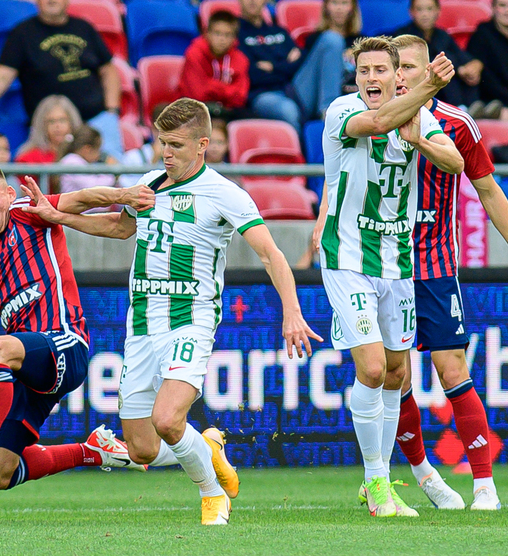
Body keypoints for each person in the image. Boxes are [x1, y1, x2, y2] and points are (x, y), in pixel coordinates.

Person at [21, 97, 322, 525]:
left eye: (176, 145)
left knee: (167, 418)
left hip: (190, 320)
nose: (166, 153)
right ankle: (208, 448)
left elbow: (271, 254)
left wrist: (291, 311)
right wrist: (58, 217)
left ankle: (212, 494)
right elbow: (120, 227)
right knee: (142, 448)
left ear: (202, 145)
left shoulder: (225, 194)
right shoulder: (149, 184)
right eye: (163, 142)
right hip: (142, 323)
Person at [0, 163, 153, 504]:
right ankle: (92, 451)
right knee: (0, 473)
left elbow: (83, 198)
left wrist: (123, 195)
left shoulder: (30, 212)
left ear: (9, 195)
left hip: (66, 345)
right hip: (28, 369)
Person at [385, 34, 508, 511]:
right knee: (395, 376)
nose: (400, 76)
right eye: (395, 67)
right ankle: (425, 476)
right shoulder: (371, 119)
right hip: (384, 267)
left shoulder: (456, 123)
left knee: (452, 369)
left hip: (435, 264)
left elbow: (489, 190)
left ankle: (484, 486)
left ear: (429, 73)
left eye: (409, 67)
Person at [316, 37, 463, 518]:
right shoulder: (342, 110)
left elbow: (456, 162)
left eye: (381, 70)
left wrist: (419, 137)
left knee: (397, 373)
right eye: (364, 70)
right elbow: (378, 123)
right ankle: (378, 481)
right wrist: (428, 89)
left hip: (397, 261)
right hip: (347, 257)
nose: (371, 78)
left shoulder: (418, 117)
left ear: (398, 75)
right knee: (374, 368)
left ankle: (374, 481)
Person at [0, 0, 123, 158]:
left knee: (115, 171)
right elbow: (2, 77)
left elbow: (108, 70)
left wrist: (111, 111)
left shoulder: (84, 28)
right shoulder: (23, 33)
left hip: (95, 121)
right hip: (50, 131)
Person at [238, 0, 347, 128]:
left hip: (294, 89)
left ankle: (329, 113)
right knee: (289, 110)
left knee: (332, 38)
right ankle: (306, 141)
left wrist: (273, 67)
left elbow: (301, 62)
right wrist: (286, 65)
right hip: (263, 94)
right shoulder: (235, 34)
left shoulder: (279, 31)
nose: (252, 1)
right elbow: (253, 75)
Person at [392, 0, 484, 111]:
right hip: (420, 86)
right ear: (411, 12)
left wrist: (474, 65)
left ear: (438, 12)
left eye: (429, 9)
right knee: (443, 70)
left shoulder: (442, 35)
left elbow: (462, 56)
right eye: (419, 9)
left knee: (468, 73)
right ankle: (461, 109)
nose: (425, 14)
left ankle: (475, 108)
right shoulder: (403, 36)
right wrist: (458, 68)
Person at [179, 10, 250, 121]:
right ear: (207, 34)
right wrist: (228, 90)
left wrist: (210, 86)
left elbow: (240, 97)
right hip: (195, 110)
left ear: (234, 38)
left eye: (227, 35)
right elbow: (198, 94)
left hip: (228, 110)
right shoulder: (194, 54)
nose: (222, 39)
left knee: (251, 118)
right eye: (217, 33)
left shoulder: (241, 59)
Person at [303, 0, 364, 96]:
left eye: (344, 3)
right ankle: (328, 104)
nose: (339, 8)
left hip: (353, 96)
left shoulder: (362, 41)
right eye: (334, 3)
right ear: (326, 7)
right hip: (317, 96)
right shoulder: (315, 40)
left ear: (352, 8)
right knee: (332, 39)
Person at [15, 95, 83, 164]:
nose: (57, 126)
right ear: (42, 126)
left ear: (72, 123)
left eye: (62, 120)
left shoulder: (84, 153)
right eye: (51, 121)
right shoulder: (28, 159)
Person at [57, 126, 117, 202]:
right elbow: (93, 188)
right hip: (73, 208)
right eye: (97, 150)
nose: (99, 155)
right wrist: (111, 172)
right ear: (87, 149)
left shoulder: (82, 162)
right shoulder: (71, 161)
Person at [118, 103, 167, 188]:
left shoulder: (183, 156)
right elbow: (128, 190)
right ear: (152, 127)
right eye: (159, 129)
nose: (164, 136)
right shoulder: (133, 157)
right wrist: (154, 160)